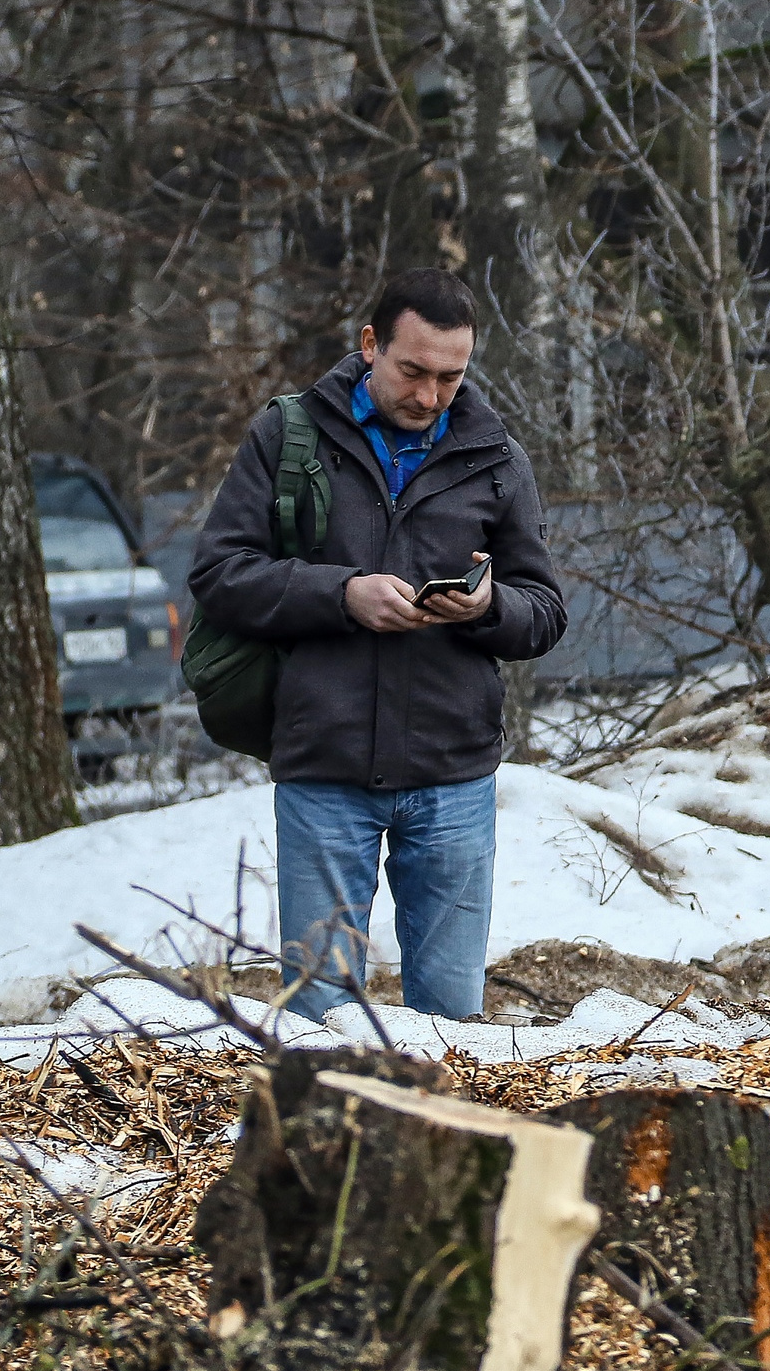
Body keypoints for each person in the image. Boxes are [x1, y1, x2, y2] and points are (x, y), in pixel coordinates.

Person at [190, 268, 564, 1023]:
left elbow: (546, 610)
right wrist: (342, 595)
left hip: (453, 772)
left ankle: (444, 1143)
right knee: (319, 1016)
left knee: (453, 1020)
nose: (429, 396)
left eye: (451, 377)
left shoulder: (497, 460)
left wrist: (488, 607)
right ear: (370, 345)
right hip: (323, 766)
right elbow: (219, 574)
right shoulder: (287, 436)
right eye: (412, 371)